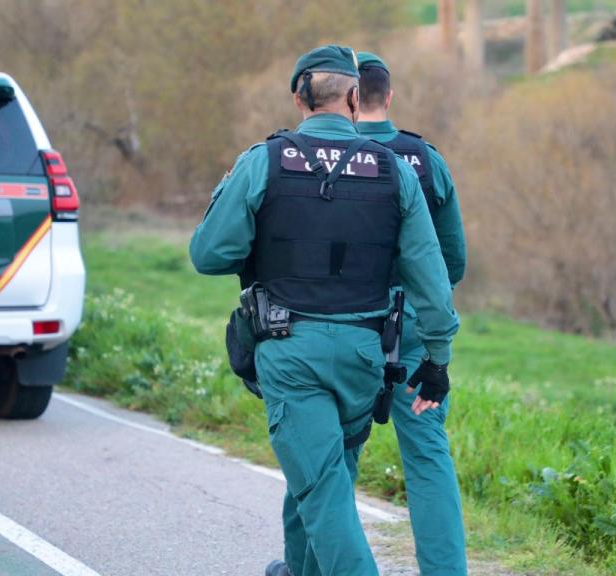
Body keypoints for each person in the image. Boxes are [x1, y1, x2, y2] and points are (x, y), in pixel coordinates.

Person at [189, 45, 459, 576]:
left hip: (291, 354)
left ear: (298, 97)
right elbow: (433, 278)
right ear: (356, 98)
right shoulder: (395, 169)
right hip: (367, 357)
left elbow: (208, 254)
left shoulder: (263, 160)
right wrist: (438, 359)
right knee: (331, 477)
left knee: (322, 492)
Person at [282, 51, 469, 576]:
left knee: (323, 455)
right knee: (428, 456)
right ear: (388, 95)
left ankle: (307, 569)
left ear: (347, 97)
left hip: (341, 324)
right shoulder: (424, 159)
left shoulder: (314, 155)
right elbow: (451, 261)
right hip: (411, 329)